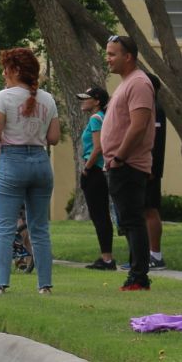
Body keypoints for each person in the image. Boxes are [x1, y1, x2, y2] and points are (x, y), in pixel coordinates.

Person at [0, 47, 62, 294]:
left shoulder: (3, 97)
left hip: (12, 162)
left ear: (15, 70)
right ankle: (45, 285)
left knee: (4, 228)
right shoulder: (47, 99)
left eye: (6, 68)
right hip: (40, 162)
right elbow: (54, 137)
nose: (3, 73)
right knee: (39, 229)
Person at [102, 36, 158, 291]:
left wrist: (120, 157)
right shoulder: (127, 83)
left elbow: (138, 125)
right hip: (119, 164)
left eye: (113, 54)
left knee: (133, 220)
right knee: (128, 220)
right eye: (108, 54)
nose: (108, 59)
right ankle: (135, 272)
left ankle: (138, 277)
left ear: (129, 56)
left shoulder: (139, 83)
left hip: (129, 164)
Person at [76, 86, 117, 269]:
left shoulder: (95, 118)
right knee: (102, 215)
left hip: (95, 171)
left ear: (97, 101)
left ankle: (107, 258)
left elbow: (97, 148)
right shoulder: (105, 117)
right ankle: (106, 256)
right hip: (102, 171)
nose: (83, 101)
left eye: (87, 98)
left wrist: (86, 168)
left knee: (99, 215)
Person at [145, 72, 168, 269]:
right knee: (143, 211)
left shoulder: (155, 109)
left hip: (150, 168)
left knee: (149, 210)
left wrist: (151, 168)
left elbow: (156, 142)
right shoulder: (148, 108)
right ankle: (145, 254)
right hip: (144, 166)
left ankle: (156, 255)